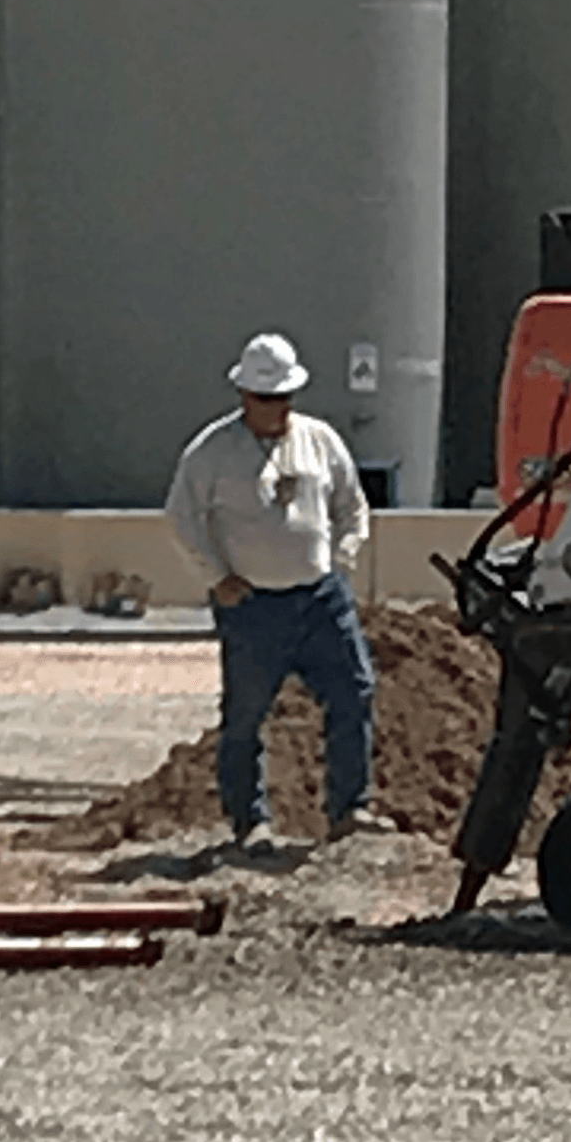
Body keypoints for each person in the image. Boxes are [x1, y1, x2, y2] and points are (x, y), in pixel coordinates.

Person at [165, 332, 391, 852]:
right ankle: (250, 821)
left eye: (284, 396)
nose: (277, 408)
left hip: (320, 599)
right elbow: (181, 517)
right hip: (252, 608)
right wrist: (216, 575)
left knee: (353, 692)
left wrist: (341, 559)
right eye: (266, 398)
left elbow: (351, 506)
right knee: (246, 714)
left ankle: (349, 808)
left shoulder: (320, 440)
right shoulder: (212, 452)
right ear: (245, 396)